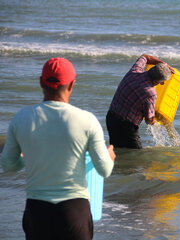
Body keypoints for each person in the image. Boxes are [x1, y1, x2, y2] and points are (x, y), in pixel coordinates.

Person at [0, 57, 116, 240]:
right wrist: (109, 155)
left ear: (41, 82)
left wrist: (26, 156)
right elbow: (105, 170)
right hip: (74, 212)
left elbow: (8, 165)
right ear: (72, 85)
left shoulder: (21, 118)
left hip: (37, 210)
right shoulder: (87, 120)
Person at [106, 54, 174, 149]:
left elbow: (145, 57)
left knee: (116, 149)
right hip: (127, 127)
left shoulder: (134, 71)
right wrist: (156, 119)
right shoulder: (150, 93)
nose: (162, 84)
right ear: (157, 81)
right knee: (134, 156)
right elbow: (149, 119)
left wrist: (163, 64)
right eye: (162, 82)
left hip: (111, 118)